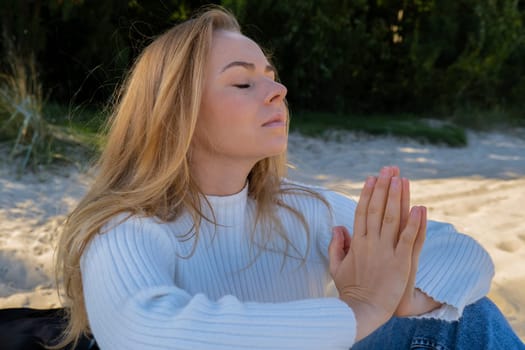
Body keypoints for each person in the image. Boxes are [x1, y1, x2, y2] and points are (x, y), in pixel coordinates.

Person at [54, 6, 524, 350]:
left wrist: (404, 295)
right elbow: (146, 333)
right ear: (177, 113)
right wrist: (359, 309)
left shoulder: (302, 210)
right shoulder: (124, 229)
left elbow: (468, 258)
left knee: (468, 318)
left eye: (272, 76)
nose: (277, 90)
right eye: (244, 82)